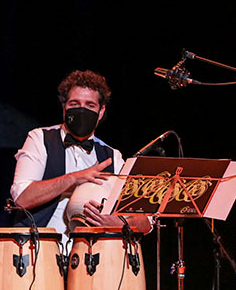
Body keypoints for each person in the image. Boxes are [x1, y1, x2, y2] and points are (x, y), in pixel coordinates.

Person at [10, 70, 152, 238]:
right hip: (41, 251)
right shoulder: (40, 139)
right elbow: (22, 198)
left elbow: (147, 221)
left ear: (100, 112)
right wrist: (74, 178)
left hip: (93, 256)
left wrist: (119, 223)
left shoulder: (112, 156)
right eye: (75, 104)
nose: (82, 111)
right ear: (64, 108)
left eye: (90, 106)